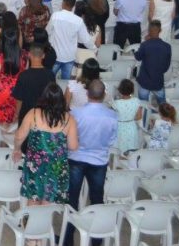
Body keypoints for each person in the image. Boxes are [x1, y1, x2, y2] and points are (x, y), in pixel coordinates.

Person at [63, 80, 118, 246]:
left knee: (72, 199)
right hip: (99, 160)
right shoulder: (112, 116)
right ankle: (96, 239)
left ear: (87, 94)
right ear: (104, 95)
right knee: (97, 198)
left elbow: (69, 138)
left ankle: (67, 239)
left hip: (76, 158)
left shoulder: (76, 114)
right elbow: (113, 140)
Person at [13, 83, 78, 206]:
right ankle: (42, 223)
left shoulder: (33, 114)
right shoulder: (69, 119)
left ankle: (30, 223)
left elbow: (19, 136)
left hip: (35, 164)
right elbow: (73, 146)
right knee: (49, 198)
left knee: (33, 196)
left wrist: (16, 149)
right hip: (56, 165)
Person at [47, 0, 97, 80]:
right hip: (69, 57)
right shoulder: (78, 21)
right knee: (66, 82)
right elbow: (85, 40)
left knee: (49, 79)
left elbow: (47, 32)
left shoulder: (55, 16)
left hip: (55, 55)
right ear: (73, 6)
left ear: (63, 3)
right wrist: (94, 49)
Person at [11, 44, 56, 130]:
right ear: (43, 56)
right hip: (44, 115)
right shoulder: (50, 75)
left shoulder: (23, 75)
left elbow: (19, 99)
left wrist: (16, 114)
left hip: (26, 114)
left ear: (29, 55)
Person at [0, 27, 24, 126]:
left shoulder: (1, 56)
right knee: (11, 119)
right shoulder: (23, 56)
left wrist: (0, 85)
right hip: (17, 90)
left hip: (1, 90)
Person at [135, 20, 172, 105]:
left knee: (143, 105)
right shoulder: (167, 46)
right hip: (158, 81)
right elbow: (166, 66)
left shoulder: (145, 45)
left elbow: (138, 57)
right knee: (163, 106)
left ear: (149, 31)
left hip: (145, 81)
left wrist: (143, 42)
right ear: (160, 30)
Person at [113, 79, 143, 156]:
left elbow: (113, 117)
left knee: (119, 151)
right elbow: (139, 116)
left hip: (119, 127)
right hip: (131, 126)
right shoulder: (136, 101)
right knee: (132, 152)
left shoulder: (116, 103)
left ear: (120, 90)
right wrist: (130, 118)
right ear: (132, 90)